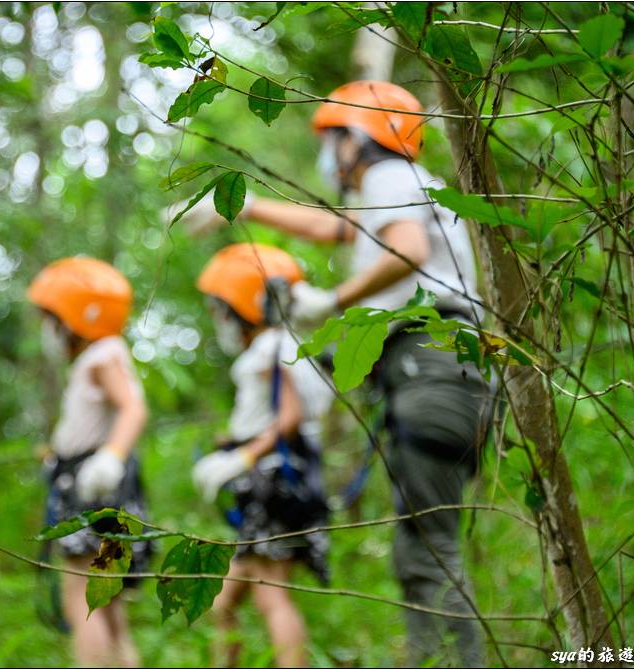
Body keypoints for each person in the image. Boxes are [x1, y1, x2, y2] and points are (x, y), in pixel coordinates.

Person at [183, 81, 493, 666]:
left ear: (358, 139)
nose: (330, 156)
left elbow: (405, 248)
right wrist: (244, 207)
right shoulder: (405, 187)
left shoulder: (390, 177)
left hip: (432, 368)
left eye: (332, 139)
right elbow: (336, 228)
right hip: (440, 373)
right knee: (424, 549)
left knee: (428, 555)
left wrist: (335, 300)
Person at [193, 242, 334, 668]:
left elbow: (288, 417)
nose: (219, 320)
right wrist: (232, 444)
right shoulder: (290, 344)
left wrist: (245, 456)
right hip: (278, 479)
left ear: (241, 307)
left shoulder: (269, 347)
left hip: (271, 482)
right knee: (225, 602)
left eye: (221, 310)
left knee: (272, 595)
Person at [27, 257, 149, 667]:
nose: (48, 328)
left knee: (80, 595)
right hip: (87, 473)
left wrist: (109, 458)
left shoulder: (102, 355)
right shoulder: (96, 358)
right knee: (106, 600)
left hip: (94, 482)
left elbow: (133, 409)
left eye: (51, 317)